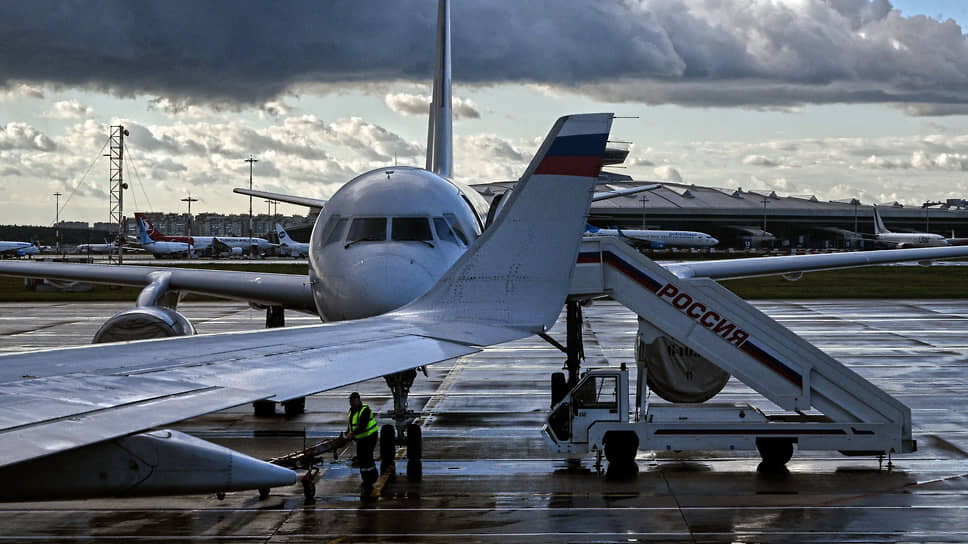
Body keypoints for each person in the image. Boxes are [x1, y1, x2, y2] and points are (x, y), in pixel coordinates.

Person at [345, 391, 379, 491]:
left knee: (367, 456)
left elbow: (362, 426)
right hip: (361, 438)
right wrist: (347, 433)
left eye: (353, 400)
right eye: (350, 401)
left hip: (369, 436)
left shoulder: (365, 410)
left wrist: (352, 434)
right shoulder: (351, 411)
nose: (351, 403)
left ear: (358, 400)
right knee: (361, 457)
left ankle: (371, 478)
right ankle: (366, 478)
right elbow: (351, 425)